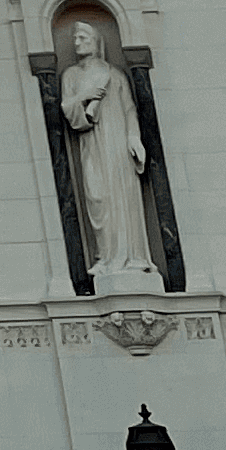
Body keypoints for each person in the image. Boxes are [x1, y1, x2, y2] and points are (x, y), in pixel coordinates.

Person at [59, 19, 158, 291]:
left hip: (117, 143)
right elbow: (67, 108)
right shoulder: (71, 76)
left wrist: (133, 138)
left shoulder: (115, 74)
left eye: (82, 37)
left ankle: (133, 257)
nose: (77, 42)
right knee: (98, 196)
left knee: (124, 196)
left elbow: (129, 110)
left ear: (96, 41)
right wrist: (85, 96)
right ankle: (105, 258)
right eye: (75, 38)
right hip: (92, 145)